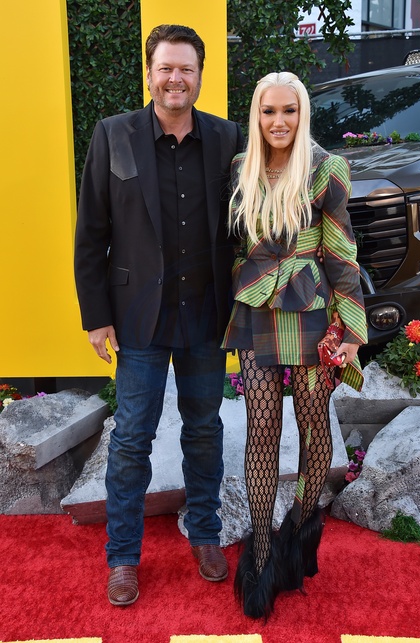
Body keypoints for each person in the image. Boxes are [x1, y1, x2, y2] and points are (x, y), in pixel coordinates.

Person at [74, 24, 243, 607]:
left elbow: (244, 225)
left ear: (199, 76)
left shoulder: (226, 137)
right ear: (149, 73)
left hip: (207, 315)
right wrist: (96, 316)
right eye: (166, 68)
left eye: (186, 69)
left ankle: (206, 535)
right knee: (130, 439)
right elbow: (91, 233)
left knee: (205, 431)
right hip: (137, 317)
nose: (176, 78)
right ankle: (123, 557)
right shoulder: (113, 134)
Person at [221, 71, 368, 619]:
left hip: (311, 313)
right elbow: (235, 246)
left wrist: (351, 333)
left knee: (312, 425)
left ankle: (299, 532)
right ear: (256, 115)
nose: (278, 121)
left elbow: (343, 255)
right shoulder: (242, 167)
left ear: (302, 113)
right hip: (257, 309)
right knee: (261, 427)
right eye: (268, 111)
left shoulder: (326, 168)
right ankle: (261, 552)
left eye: (289, 110)